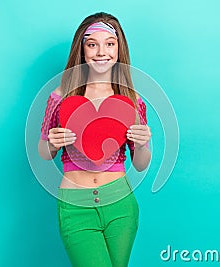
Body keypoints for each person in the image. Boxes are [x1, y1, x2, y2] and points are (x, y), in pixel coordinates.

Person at [38, 12, 151, 267]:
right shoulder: (60, 97)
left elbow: (141, 163)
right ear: (82, 49)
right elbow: (44, 152)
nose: (102, 52)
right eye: (92, 44)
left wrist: (142, 143)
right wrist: (52, 143)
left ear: (119, 49)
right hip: (75, 206)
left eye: (109, 44)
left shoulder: (132, 101)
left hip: (120, 205)